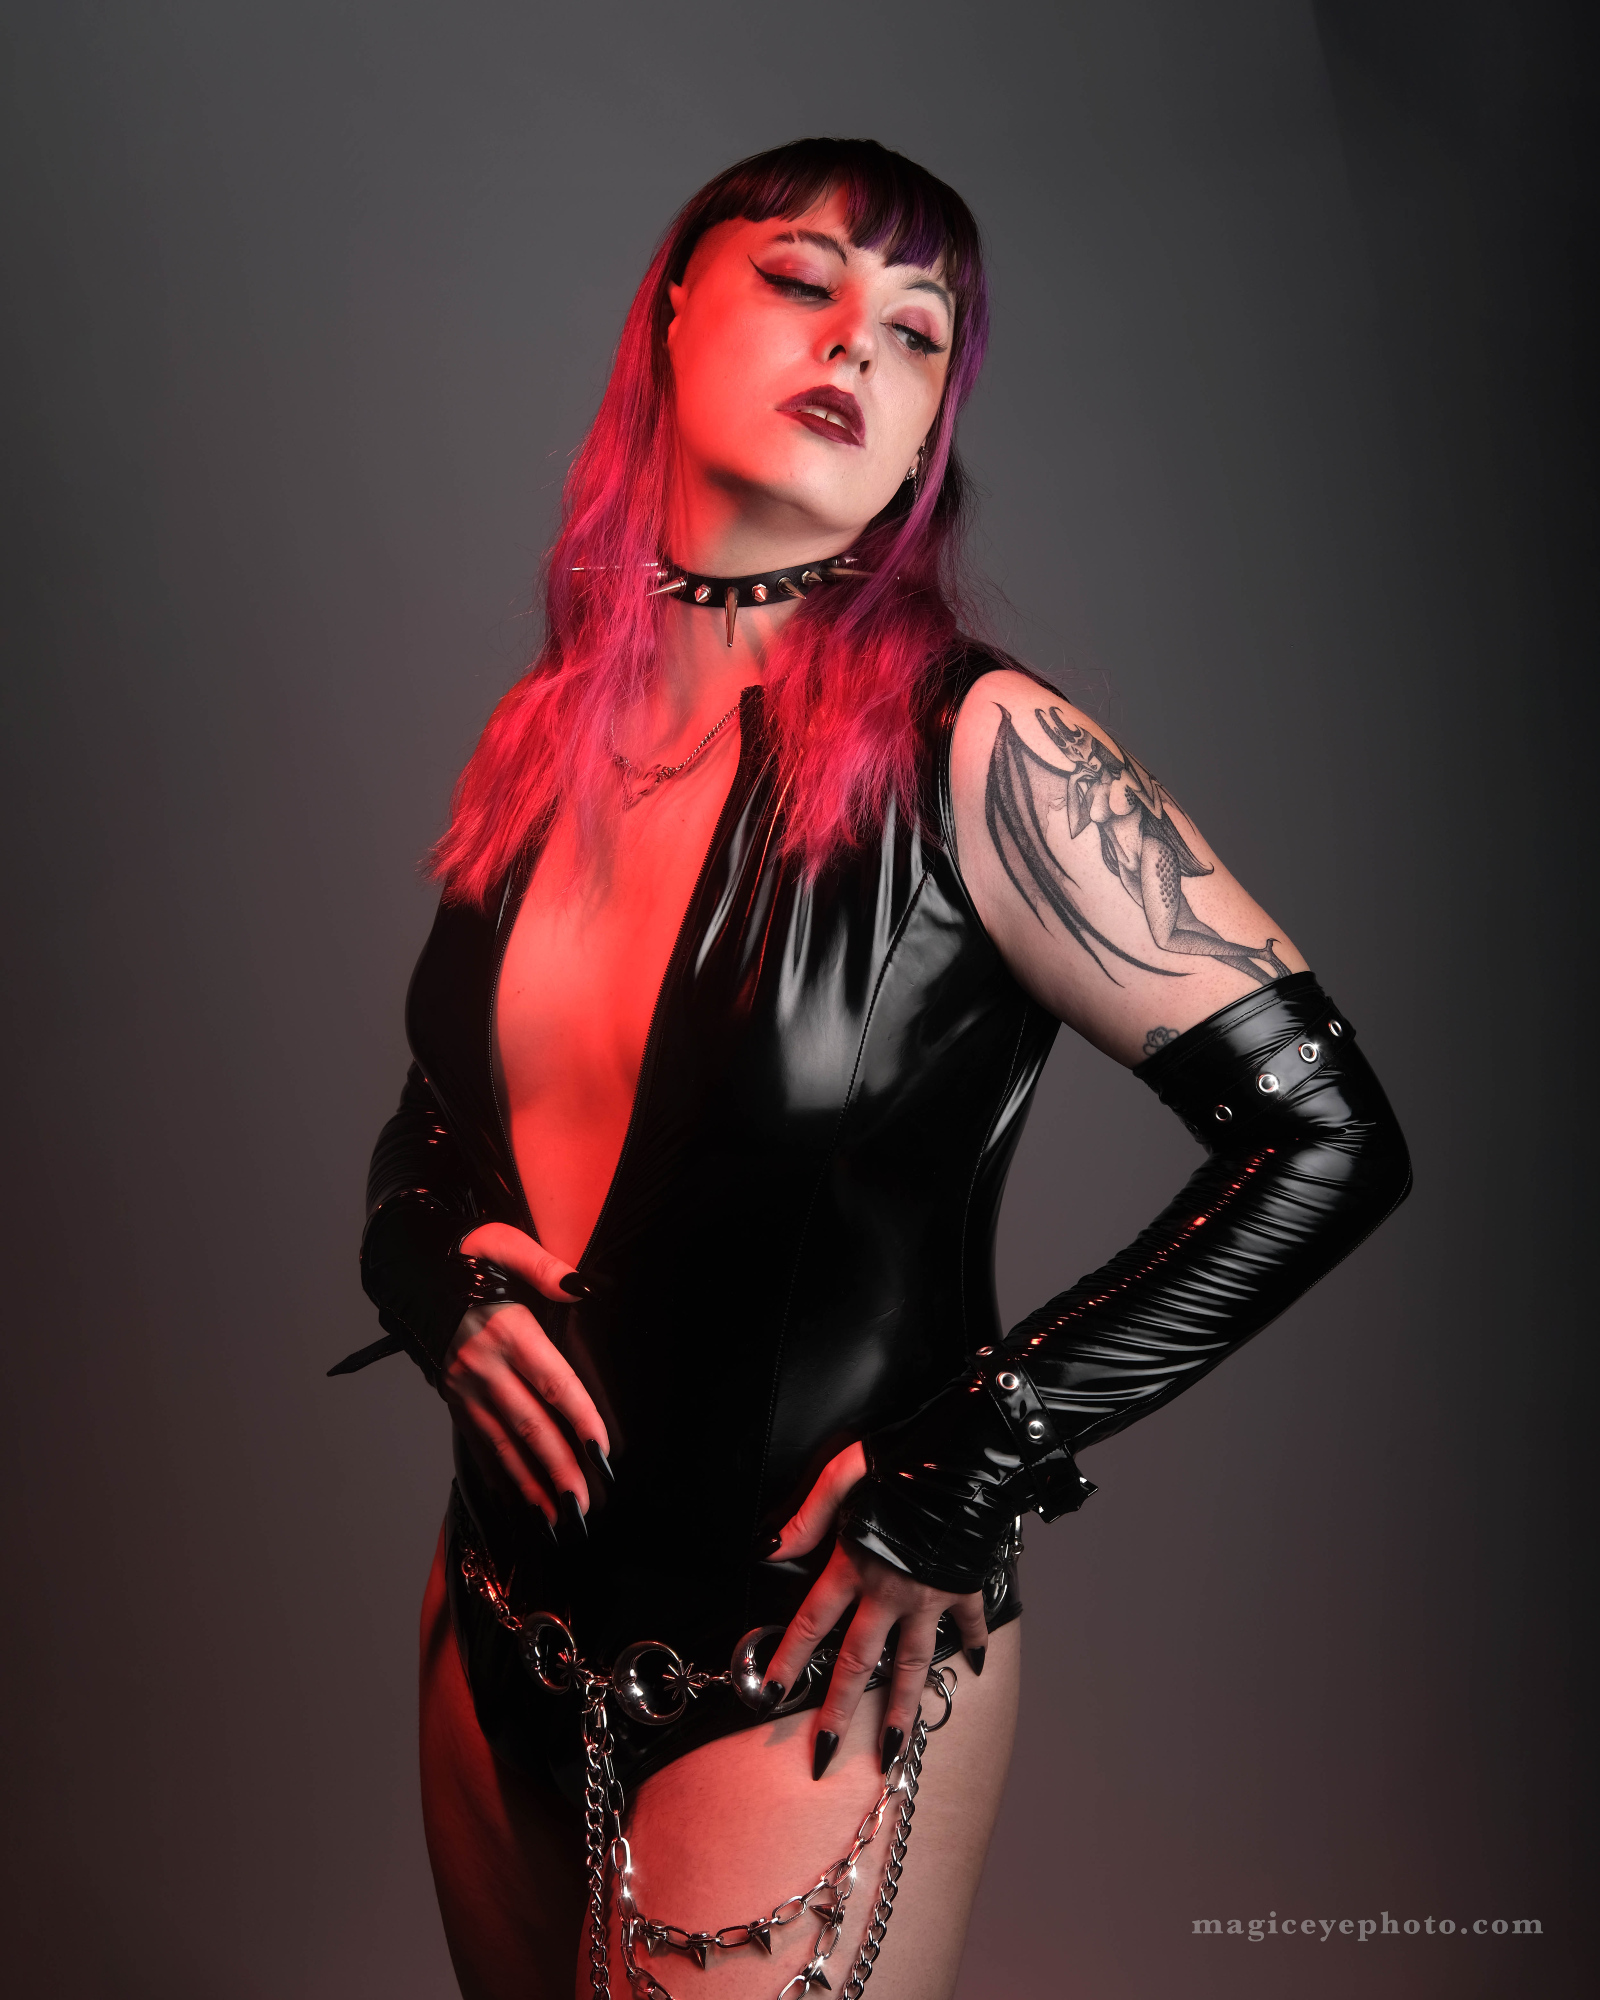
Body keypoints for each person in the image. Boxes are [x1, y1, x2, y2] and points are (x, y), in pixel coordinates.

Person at [334, 138, 1411, 2000]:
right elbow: (447, 1122)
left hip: (804, 1659)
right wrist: (427, 1271)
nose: (859, 340)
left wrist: (978, 1456)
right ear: (674, 306)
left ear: (927, 432)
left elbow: (1327, 1137)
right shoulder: (548, 736)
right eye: (802, 276)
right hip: (494, 1612)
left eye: (919, 330)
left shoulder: (984, 748)